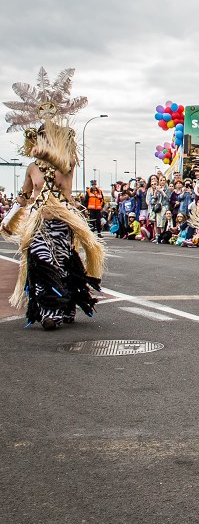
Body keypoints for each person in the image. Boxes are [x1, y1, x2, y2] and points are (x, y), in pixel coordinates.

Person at [1, 71, 104, 330]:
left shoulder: (65, 164)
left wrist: (48, 149)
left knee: (61, 264)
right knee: (41, 261)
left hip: (60, 222)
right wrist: (9, 218)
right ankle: (48, 309)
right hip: (37, 224)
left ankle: (63, 307)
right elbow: (24, 197)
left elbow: (61, 163)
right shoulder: (32, 168)